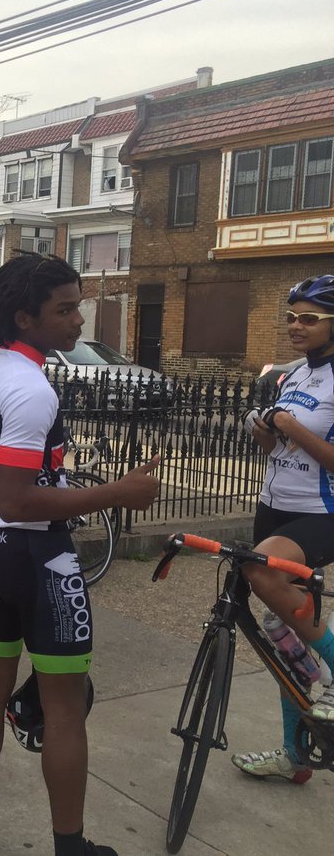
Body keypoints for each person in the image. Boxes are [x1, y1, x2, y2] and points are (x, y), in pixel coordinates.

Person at [0, 253, 161, 856]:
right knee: (63, 707)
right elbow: (18, 499)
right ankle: (70, 846)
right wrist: (120, 493)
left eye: (77, 306)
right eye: (65, 309)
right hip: (36, 557)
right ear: (25, 316)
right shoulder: (30, 387)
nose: (79, 320)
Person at [231, 273, 334, 783]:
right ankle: (297, 754)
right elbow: (276, 448)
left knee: (261, 573)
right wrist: (265, 431)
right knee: (283, 631)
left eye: (309, 318)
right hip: (275, 503)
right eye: (292, 316)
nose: (296, 325)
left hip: (321, 513)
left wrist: (292, 427)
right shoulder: (293, 376)